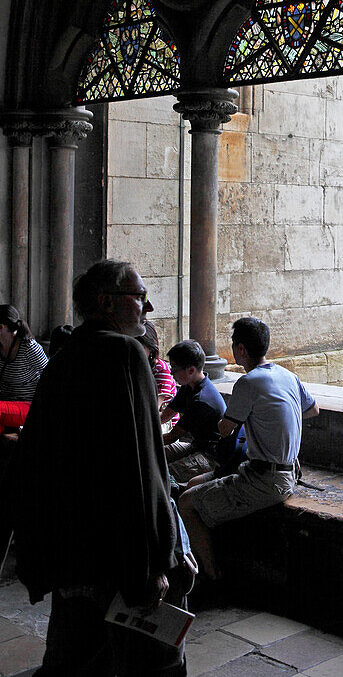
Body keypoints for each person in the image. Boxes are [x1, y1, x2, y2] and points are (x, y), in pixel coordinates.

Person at [5, 259, 184, 676]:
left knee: (71, 658)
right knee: (159, 660)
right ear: (106, 303)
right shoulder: (125, 354)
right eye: (138, 297)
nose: (147, 306)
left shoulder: (66, 355)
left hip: (72, 547)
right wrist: (156, 559)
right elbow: (142, 468)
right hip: (117, 552)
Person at [178, 315, 319, 581]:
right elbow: (312, 409)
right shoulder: (286, 374)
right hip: (280, 472)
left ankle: (210, 576)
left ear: (241, 349)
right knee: (193, 484)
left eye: (233, 344)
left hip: (264, 481)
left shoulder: (248, 383)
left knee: (186, 504)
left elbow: (224, 429)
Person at [160, 339, 226, 482]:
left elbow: (172, 437)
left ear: (190, 370)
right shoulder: (188, 386)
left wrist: (142, 439)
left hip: (212, 455)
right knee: (155, 455)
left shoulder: (201, 400)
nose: (171, 373)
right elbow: (164, 416)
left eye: (174, 369)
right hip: (197, 445)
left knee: (163, 473)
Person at [0, 304, 48, 438]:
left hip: (27, 406)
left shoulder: (29, 348)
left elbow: (51, 376)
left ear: (1, 327)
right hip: (5, 403)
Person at [139, 319, 177, 410]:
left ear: (150, 347)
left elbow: (154, 408)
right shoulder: (137, 367)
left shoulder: (160, 369)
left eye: (140, 348)